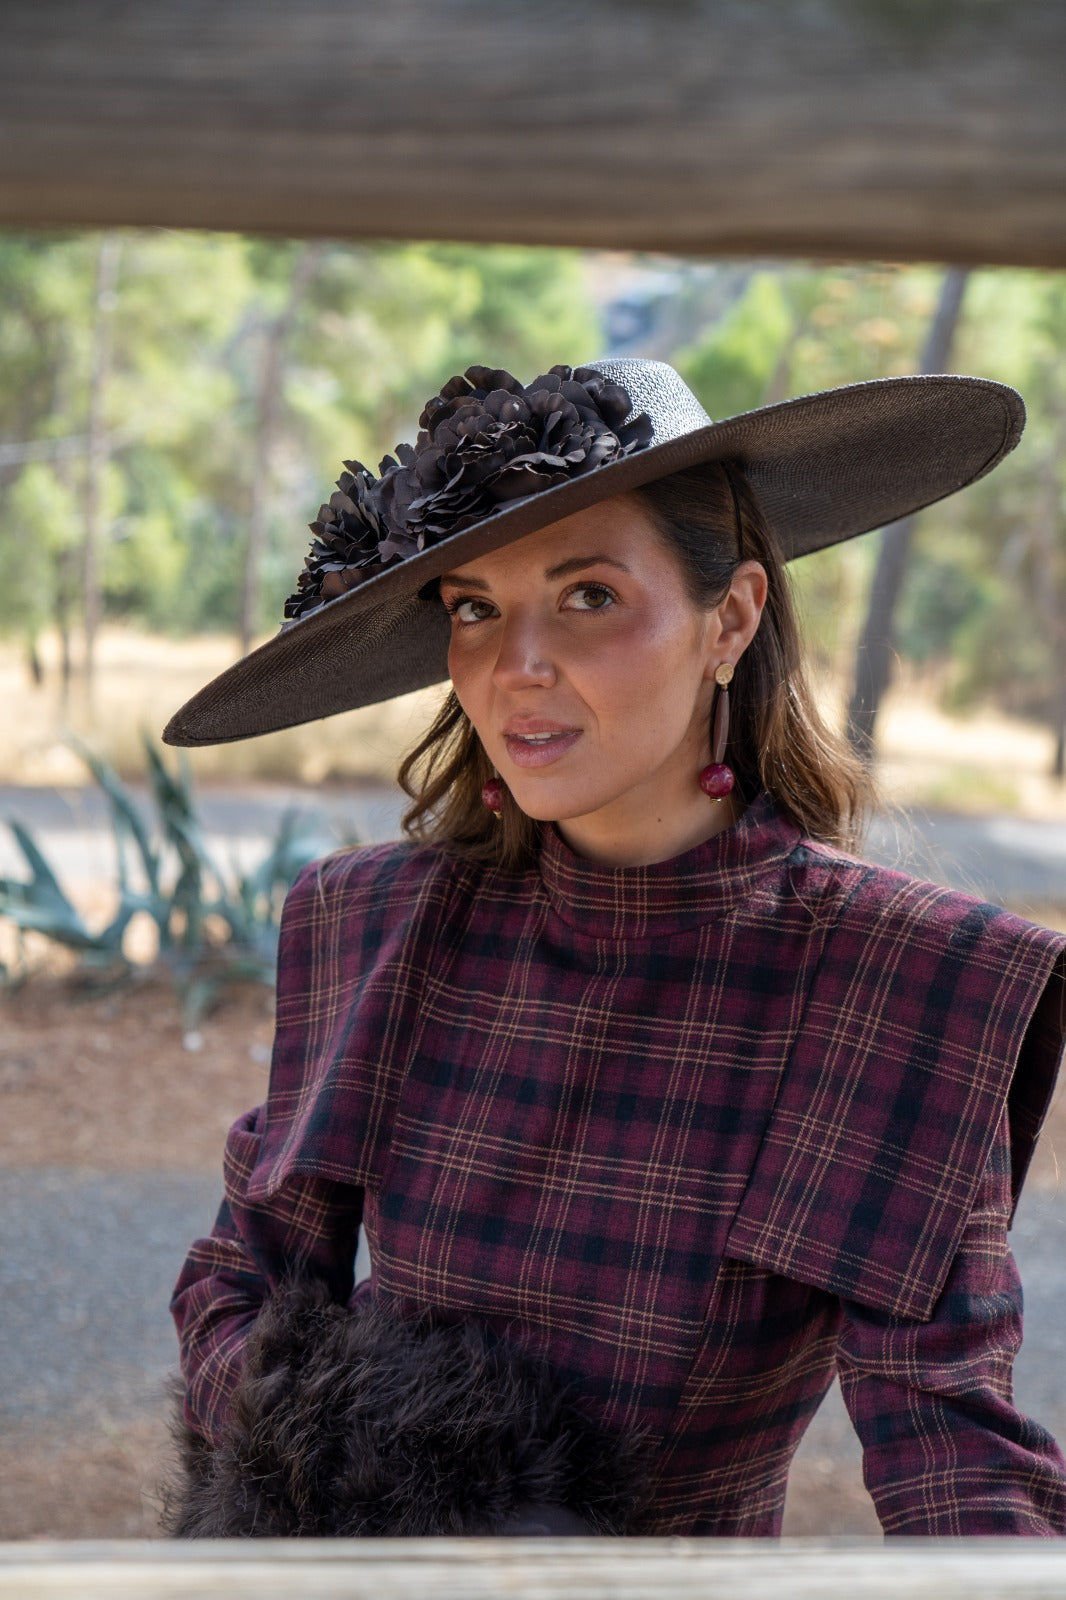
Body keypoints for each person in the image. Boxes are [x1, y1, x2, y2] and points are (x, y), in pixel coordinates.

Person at [165, 359, 1066, 1538]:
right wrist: (400, 1466)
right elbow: (238, 1286)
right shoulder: (368, 922)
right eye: (473, 607)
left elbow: (954, 1456)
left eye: (588, 594)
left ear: (729, 618)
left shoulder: (896, 983)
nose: (515, 665)